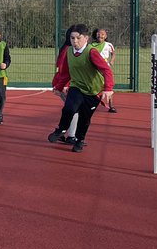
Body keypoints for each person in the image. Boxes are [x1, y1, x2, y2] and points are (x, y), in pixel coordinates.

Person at [48, 23, 114, 153]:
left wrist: (108, 88)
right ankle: (61, 129)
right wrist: (59, 86)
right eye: (72, 38)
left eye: (78, 38)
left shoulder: (91, 52)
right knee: (69, 108)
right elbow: (65, 72)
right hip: (77, 86)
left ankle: (79, 140)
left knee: (84, 119)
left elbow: (106, 70)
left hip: (93, 91)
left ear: (86, 38)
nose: (75, 41)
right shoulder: (68, 52)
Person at [90, 27, 118, 113]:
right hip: (94, 68)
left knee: (108, 86)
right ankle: (91, 104)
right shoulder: (91, 45)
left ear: (105, 36)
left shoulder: (108, 45)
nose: (100, 35)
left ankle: (111, 105)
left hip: (105, 68)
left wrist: (111, 61)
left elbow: (113, 53)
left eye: (102, 34)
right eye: (98, 33)